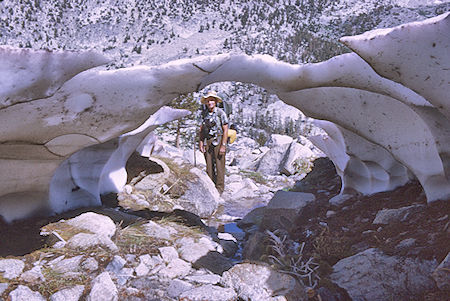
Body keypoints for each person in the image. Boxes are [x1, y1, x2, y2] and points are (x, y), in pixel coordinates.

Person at [198, 91, 229, 194]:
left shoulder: (220, 113)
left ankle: (219, 189)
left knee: (219, 165)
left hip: (219, 140)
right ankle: (211, 187)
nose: (210, 102)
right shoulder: (204, 114)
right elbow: (202, 129)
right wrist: (201, 142)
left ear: (215, 101)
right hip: (208, 140)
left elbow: (225, 130)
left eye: (212, 100)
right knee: (209, 165)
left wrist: (223, 145)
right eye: (208, 100)